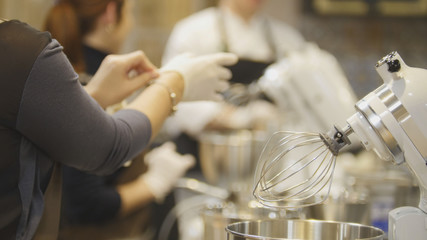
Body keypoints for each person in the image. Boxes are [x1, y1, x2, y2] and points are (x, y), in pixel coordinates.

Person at [0, 18, 237, 240]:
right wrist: (174, 82)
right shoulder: (17, 48)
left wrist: (94, 97)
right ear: (111, 13)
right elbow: (109, 147)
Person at [161, 0, 305, 173]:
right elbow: (176, 97)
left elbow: (303, 102)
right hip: (203, 161)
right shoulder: (192, 32)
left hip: (266, 165)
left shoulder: (287, 38)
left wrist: (277, 117)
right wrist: (239, 118)